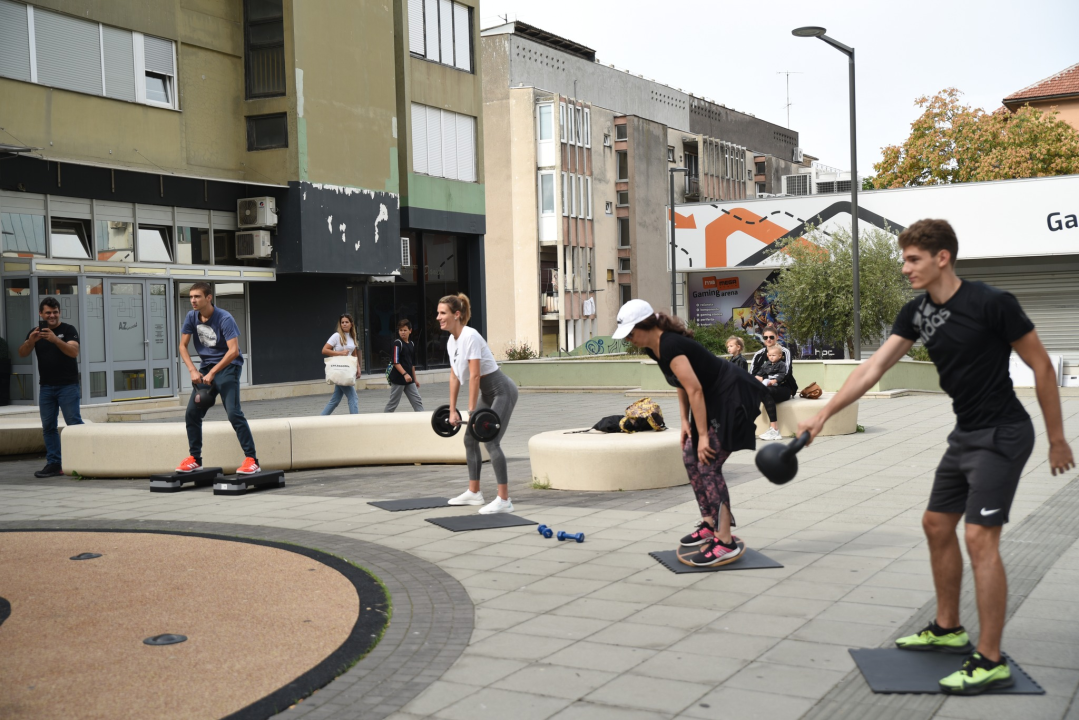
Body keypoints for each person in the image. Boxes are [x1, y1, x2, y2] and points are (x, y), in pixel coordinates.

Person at [798, 219, 1075, 695]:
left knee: (980, 539)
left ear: (941, 257)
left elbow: (1041, 365)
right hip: (966, 433)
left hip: (1003, 433)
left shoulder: (992, 303)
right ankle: (949, 629)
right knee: (935, 524)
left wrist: (1057, 438)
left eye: (912, 259)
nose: (905, 268)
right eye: (904, 259)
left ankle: (991, 659)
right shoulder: (917, 312)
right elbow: (874, 366)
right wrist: (824, 414)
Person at [615, 299, 767, 567]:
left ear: (644, 324)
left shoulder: (671, 345)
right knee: (689, 455)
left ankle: (725, 541)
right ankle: (709, 522)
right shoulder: (655, 347)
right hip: (711, 399)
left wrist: (704, 437)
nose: (629, 338)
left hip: (730, 396)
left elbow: (695, 388)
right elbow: (680, 383)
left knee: (708, 462)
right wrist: (685, 423)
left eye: (630, 332)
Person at [440, 293, 519, 514]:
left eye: (442, 313)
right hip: (488, 393)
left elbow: (474, 376)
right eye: (438, 313)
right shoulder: (451, 341)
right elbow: (455, 376)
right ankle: (474, 493)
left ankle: (504, 499)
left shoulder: (470, 336)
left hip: (502, 391)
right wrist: (453, 409)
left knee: (490, 441)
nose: (438, 317)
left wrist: (472, 410)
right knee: (469, 439)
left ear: (457, 315)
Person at [175, 282, 260, 475]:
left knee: (233, 413)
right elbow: (182, 346)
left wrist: (213, 373)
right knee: (192, 413)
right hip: (206, 368)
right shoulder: (191, 317)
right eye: (191, 297)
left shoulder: (224, 318)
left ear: (208, 297)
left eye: (197, 296)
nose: (193, 301)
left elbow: (233, 351)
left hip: (228, 367)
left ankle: (252, 460)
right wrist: (192, 370)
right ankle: (195, 459)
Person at [18, 298, 82, 478]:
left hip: (68, 386)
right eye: (48, 313)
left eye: (55, 312)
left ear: (59, 312)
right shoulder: (35, 332)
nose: (52, 316)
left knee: (74, 424)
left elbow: (73, 352)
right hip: (46, 387)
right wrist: (31, 341)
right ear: (41, 314)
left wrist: (55, 340)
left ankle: (82, 460)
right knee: (48, 427)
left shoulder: (68, 330)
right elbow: (22, 354)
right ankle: (54, 464)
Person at [752, 327, 796, 441]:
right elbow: (753, 374)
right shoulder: (758, 355)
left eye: (771, 337)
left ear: (776, 337)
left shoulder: (785, 352)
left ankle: (774, 430)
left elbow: (786, 373)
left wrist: (768, 379)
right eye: (765, 337)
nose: (769, 339)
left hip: (783, 387)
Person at [321, 314, 361, 415]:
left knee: (335, 400)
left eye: (346, 322)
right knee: (353, 397)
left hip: (346, 370)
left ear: (351, 324)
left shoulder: (353, 336)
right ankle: (355, 423)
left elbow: (354, 354)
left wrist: (358, 367)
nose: (344, 324)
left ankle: (320, 419)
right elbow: (324, 350)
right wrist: (340, 353)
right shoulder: (336, 336)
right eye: (342, 322)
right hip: (340, 370)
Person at [385, 318, 424, 413]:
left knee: (417, 401)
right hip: (398, 379)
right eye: (400, 330)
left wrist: (414, 379)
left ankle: (423, 420)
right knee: (393, 403)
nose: (403, 332)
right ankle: (384, 421)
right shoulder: (397, 343)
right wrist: (405, 374)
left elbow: (412, 364)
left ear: (410, 331)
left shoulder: (412, 344)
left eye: (405, 330)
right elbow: (395, 362)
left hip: (409, 379)